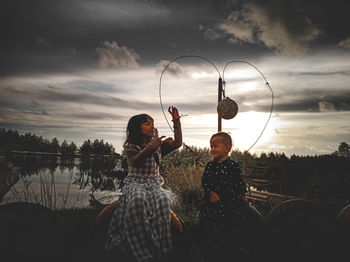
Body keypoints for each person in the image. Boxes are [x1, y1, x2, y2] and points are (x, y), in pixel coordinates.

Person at [105, 107, 182, 262]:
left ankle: (160, 246)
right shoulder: (131, 147)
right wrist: (152, 145)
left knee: (163, 200)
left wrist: (176, 121)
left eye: (152, 123)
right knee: (137, 201)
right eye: (147, 123)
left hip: (153, 183)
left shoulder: (159, 146)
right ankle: (138, 248)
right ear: (136, 128)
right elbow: (136, 160)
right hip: (135, 183)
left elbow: (178, 143)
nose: (152, 126)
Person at [199, 132, 248, 261]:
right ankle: (210, 248)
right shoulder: (210, 166)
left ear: (227, 148)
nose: (212, 150)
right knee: (211, 226)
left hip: (231, 203)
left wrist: (243, 195)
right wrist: (211, 192)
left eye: (215, 146)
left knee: (231, 226)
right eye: (211, 147)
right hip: (214, 203)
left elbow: (239, 183)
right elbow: (205, 181)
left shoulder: (233, 166)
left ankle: (231, 248)